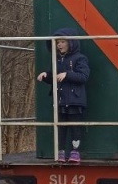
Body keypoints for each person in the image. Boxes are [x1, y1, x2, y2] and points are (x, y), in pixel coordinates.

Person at [37, 28, 90, 163]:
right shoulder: (57, 60)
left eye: (62, 42)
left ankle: (75, 152)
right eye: (57, 42)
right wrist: (46, 76)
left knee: (75, 127)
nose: (59, 45)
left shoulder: (80, 58)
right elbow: (54, 76)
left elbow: (83, 76)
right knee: (60, 127)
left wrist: (67, 74)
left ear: (70, 43)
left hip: (75, 100)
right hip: (60, 100)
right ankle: (60, 152)